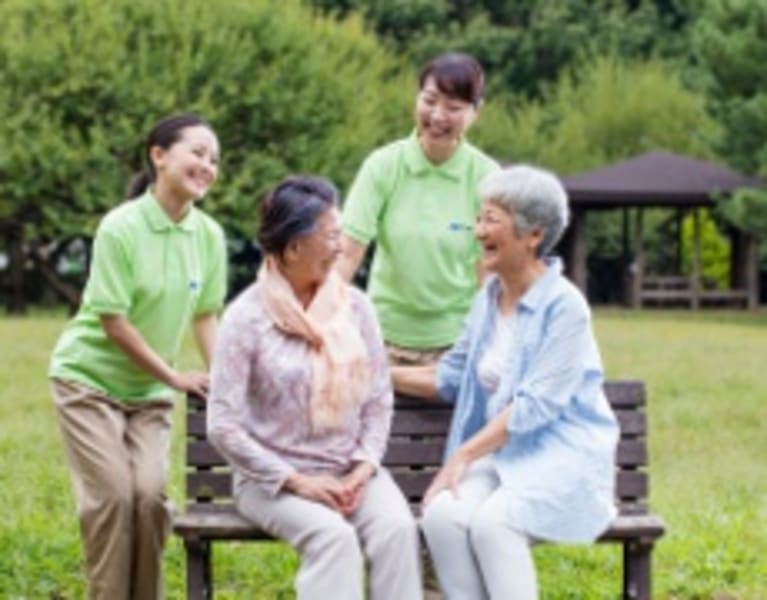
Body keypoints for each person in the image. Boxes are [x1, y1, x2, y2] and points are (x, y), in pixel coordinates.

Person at [392, 165, 619, 599]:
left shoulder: (565, 307)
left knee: (495, 525)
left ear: (533, 235)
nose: (478, 231)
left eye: (491, 219)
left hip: (560, 456)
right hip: (504, 457)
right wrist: (377, 375)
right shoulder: (488, 297)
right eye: (478, 218)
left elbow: (537, 406)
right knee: (442, 516)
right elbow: (452, 375)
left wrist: (464, 453)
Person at [207, 175, 422, 600]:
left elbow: (379, 400)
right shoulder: (245, 317)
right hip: (271, 480)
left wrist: (363, 467)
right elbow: (221, 425)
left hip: (349, 469)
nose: (341, 246)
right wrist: (297, 481)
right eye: (332, 235)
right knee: (334, 539)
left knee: (398, 530)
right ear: (293, 247)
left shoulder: (356, 308)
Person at [49, 113, 227, 600]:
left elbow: (207, 315)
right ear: (159, 155)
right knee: (112, 499)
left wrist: (224, 380)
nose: (207, 166)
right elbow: (113, 321)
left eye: (214, 159)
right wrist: (173, 375)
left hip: (147, 394)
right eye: (197, 152)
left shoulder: (209, 236)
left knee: (149, 498)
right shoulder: (120, 227)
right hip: (87, 383)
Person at [337, 52, 499, 365]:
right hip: (380, 339)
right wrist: (319, 317)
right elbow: (347, 253)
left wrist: (494, 342)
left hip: (458, 344)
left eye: (453, 107)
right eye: (429, 100)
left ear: (475, 113)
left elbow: (490, 272)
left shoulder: (487, 178)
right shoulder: (383, 166)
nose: (438, 115)